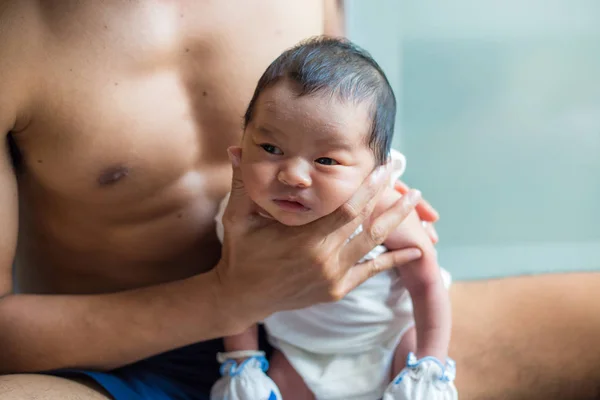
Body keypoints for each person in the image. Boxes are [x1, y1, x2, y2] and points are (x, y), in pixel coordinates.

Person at [1, 1, 600, 400]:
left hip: (355, 323)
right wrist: (229, 298)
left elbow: (352, 138)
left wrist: (383, 210)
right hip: (121, 364)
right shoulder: (13, 36)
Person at [210, 37, 456, 400]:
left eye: (326, 161)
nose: (293, 175)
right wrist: (243, 359)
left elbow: (427, 285)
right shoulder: (241, 218)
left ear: (376, 171)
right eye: (270, 149)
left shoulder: (384, 211)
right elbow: (235, 295)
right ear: (241, 144)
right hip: (300, 354)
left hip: (388, 340)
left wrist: (430, 362)